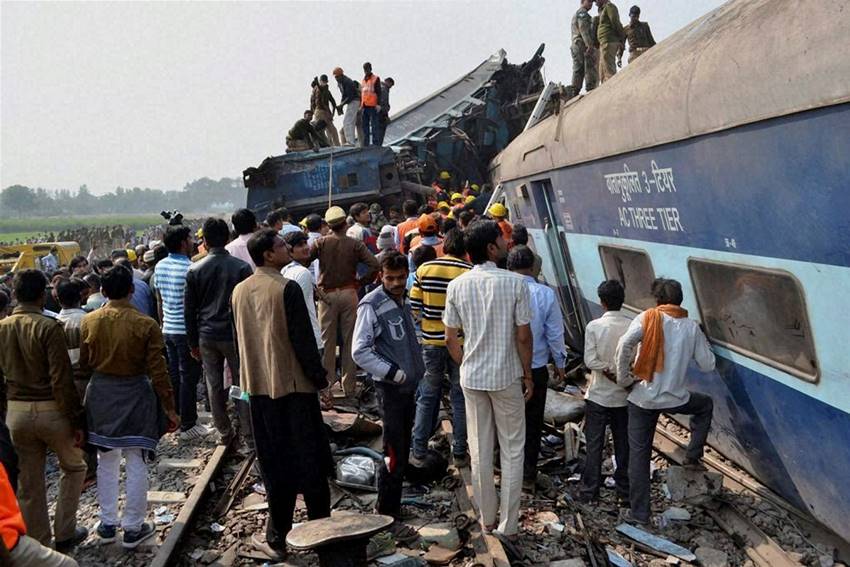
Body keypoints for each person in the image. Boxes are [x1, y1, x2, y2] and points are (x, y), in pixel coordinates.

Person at [232, 230, 332, 559]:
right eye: (279, 245)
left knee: (274, 463)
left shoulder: (239, 291)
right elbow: (302, 341)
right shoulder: (285, 288)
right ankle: (321, 531)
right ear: (268, 255)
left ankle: (278, 535)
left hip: (258, 390)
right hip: (293, 388)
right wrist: (320, 379)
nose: (285, 248)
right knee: (311, 460)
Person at [442, 221, 533, 540]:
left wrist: (464, 362)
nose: (506, 242)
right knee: (511, 449)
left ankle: (486, 519)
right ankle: (509, 525)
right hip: (506, 376)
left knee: (478, 447)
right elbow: (523, 336)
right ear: (491, 249)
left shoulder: (458, 286)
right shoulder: (516, 284)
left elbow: (450, 337)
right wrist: (528, 374)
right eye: (501, 239)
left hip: (472, 376)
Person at [80, 265, 179, 548]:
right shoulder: (145, 324)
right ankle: (134, 527)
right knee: (137, 460)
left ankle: (108, 523)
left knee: (105, 460)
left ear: (103, 291)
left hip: (101, 394)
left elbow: (85, 363)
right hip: (135, 393)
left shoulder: (90, 321)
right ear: (132, 290)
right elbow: (159, 371)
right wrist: (169, 408)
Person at [616, 278, 716, 524]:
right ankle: (692, 456)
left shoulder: (647, 318)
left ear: (657, 300)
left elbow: (624, 344)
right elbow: (708, 365)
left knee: (639, 456)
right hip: (675, 398)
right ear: (680, 300)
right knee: (704, 405)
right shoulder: (691, 327)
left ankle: (640, 514)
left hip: (642, 399)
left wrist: (625, 378)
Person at [0, 270, 87, 551]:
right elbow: (61, 379)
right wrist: (75, 419)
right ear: (43, 295)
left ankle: (40, 541)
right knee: (75, 467)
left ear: (15, 294)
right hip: (51, 409)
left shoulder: (2, 327)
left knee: (29, 481)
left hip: (15, 412)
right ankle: (65, 531)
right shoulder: (49, 327)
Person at [351, 251, 423, 537]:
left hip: (407, 389)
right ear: (380, 275)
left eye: (400, 277)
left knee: (401, 448)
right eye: (390, 278)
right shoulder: (372, 305)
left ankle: (393, 504)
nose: (396, 282)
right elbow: (360, 350)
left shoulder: (402, 299)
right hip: (391, 389)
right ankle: (387, 514)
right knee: (392, 450)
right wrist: (393, 372)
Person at [184, 218, 253, 446]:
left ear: (204, 240)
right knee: (242, 384)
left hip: (207, 336)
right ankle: (247, 430)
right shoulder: (241, 268)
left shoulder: (194, 270)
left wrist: (193, 343)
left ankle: (224, 431)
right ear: (227, 238)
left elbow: (189, 311)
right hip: (234, 335)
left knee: (213, 385)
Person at [507, 246, 567, 491]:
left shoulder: (503, 290)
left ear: (509, 267)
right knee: (532, 424)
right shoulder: (545, 294)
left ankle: (505, 468)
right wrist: (560, 364)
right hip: (536, 365)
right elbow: (554, 333)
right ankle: (527, 475)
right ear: (533, 267)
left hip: (507, 368)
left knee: (508, 421)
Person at [409, 229, 472, 467]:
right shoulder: (468, 272)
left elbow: (414, 305)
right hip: (460, 342)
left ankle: (419, 450)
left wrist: (428, 322)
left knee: (428, 395)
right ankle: (459, 452)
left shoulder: (424, 269)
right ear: (465, 250)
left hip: (430, 342)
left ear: (444, 246)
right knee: (459, 396)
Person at [311, 206, 380, 397]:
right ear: (345, 222)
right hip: (350, 293)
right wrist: (361, 282)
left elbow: (304, 259)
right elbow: (375, 264)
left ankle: (327, 386)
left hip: (327, 296)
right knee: (350, 340)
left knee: (327, 341)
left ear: (328, 224)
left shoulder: (320, 243)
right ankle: (348, 386)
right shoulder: (354, 244)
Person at [578, 280, 632, 503]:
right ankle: (624, 492)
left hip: (599, 396)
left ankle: (590, 492)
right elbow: (635, 361)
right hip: (624, 397)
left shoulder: (594, 327)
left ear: (602, 302)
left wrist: (608, 370)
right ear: (623, 300)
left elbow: (589, 360)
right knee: (623, 445)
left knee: (594, 445)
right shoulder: (632, 326)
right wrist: (621, 375)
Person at [154, 225, 209, 441]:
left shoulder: (160, 266)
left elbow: (159, 299)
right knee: (189, 376)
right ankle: (188, 424)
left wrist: (162, 323)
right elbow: (195, 306)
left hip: (168, 327)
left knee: (175, 375)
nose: (192, 242)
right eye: (189, 238)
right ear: (183, 243)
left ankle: (175, 419)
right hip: (185, 330)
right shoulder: (190, 268)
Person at [1, 464, 79, 566]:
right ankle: (65, 535)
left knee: (29, 486)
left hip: (9, 535)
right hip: (7, 539)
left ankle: (43, 541)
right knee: (69, 565)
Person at [281, 231, 323, 355]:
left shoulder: (285, 271)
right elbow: (302, 309)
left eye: (305, 243)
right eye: (300, 245)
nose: (306, 247)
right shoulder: (301, 272)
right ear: (290, 250)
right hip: (309, 338)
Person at [571, 0, 599, 92]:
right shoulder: (582, 13)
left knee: (579, 69)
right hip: (581, 44)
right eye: (589, 1)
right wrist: (589, 45)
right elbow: (583, 29)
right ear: (582, 1)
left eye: (592, 2)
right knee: (587, 68)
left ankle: (575, 91)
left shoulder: (581, 13)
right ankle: (589, 89)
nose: (591, 4)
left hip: (578, 44)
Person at [596, 0, 625, 83]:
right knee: (603, 73)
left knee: (609, 72)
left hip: (609, 42)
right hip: (604, 43)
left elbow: (615, 22)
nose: (595, 2)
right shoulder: (603, 9)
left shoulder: (609, 6)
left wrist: (621, 38)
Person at [333, 66, 360, 145]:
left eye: (337, 77)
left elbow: (350, 96)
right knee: (350, 121)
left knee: (347, 121)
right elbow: (344, 95)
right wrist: (341, 106)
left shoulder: (348, 82)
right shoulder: (341, 83)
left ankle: (350, 142)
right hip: (352, 102)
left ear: (341, 75)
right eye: (335, 77)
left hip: (354, 101)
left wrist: (341, 105)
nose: (336, 79)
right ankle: (351, 141)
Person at [312, 74, 340, 146]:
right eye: (323, 81)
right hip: (319, 111)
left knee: (332, 130)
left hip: (325, 112)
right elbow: (313, 101)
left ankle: (335, 146)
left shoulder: (326, 90)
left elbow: (333, 103)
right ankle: (326, 146)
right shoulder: (317, 88)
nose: (324, 83)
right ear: (320, 81)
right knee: (320, 130)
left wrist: (332, 114)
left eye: (325, 82)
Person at [360, 62, 382, 146]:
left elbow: (378, 92)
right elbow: (363, 93)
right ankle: (366, 144)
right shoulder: (363, 80)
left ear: (370, 68)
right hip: (365, 106)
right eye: (365, 69)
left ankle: (375, 143)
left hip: (373, 106)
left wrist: (378, 104)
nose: (366, 71)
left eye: (367, 69)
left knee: (374, 125)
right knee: (364, 126)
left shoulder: (375, 78)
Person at [375, 77, 394, 145]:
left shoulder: (379, 87)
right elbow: (383, 103)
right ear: (388, 82)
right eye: (391, 86)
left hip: (377, 112)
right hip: (380, 113)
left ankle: (377, 145)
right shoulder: (384, 90)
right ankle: (378, 146)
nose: (390, 87)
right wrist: (386, 115)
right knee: (381, 130)